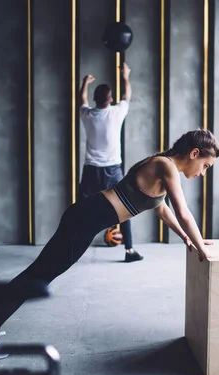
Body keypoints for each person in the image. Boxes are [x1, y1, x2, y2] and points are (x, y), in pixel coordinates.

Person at [0, 128, 219, 371]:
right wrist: (202, 248)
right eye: (206, 166)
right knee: (36, 278)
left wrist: (189, 240)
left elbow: (162, 209)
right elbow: (183, 211)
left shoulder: (162, 166)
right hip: (84, 220)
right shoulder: (165, 165)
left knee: (37, 276)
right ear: (194, 153)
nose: (202, 173)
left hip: (85, 220)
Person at [78, 63, 143, 262]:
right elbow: (128, 95)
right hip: (112, 170)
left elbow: (81, 99)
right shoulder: (117, 112)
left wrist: (84, 83)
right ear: (111, 100)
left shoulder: (87, 114)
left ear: (95, 100)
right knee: (124, 208)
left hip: (91, 170)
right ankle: (129, 251)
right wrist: (126, 75)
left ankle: (74, 247)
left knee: (81, 210)